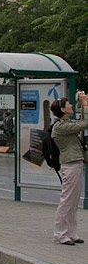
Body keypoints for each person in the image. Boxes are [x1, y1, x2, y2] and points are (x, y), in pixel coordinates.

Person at [50, 91, 88, 246]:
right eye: (69, 104)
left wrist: (81, 104)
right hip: (70, 165)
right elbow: (85, 123)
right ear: (63, 109)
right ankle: (60, 234)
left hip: (76, 163)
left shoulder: (66, 124)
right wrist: (85, 103)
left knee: (73, 202)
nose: (71, 105)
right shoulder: (60, 127)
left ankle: (71, 233)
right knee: (66, 201)